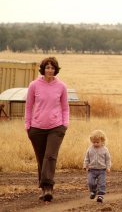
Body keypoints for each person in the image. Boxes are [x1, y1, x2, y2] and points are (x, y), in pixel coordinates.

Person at [25, 56, 69, 202]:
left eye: (52, 68)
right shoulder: (34, 85)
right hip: (36, 128)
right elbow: (29, 106)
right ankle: (44, 190)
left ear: (56, 70)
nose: (49, 70)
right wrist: (28, 126)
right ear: (43, 69)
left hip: (56, 127)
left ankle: (49, 187)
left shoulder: (61, 86)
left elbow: (65, 108)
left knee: (50, 156)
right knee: (41, 159)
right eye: (47, 67)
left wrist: (65, 124)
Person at [83, 130, 112, 203]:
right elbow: (87, 158)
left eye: (97, 142)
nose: (95, 144)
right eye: (94, 142)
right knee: (90, 182)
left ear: (102, 141)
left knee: (102, 183)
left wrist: (108, 167)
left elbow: (108, 159)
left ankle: (100, 195)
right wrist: (85, 165)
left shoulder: (105, 150)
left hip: (102, 170)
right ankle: (93, 191)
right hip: (91, 170)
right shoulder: (90, 149)